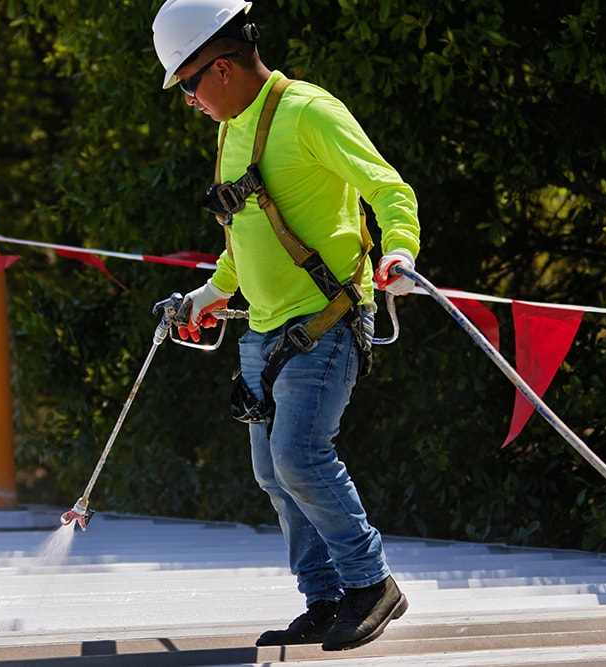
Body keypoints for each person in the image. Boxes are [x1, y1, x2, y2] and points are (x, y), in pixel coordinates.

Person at [150, 0, 422, 652]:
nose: (188, 99)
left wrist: (398, 250)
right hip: (261, 335)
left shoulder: (308, 112)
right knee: (274, 474)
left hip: (324, 324)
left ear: (219, 68)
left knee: (299, 455)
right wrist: (207, 293)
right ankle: (325, 599)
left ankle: (371, 584)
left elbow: (389, 189)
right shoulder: (230, 129)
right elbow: (242, 240)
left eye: (187, 84)